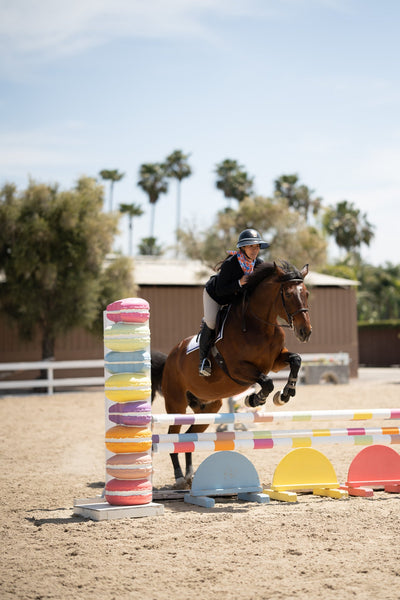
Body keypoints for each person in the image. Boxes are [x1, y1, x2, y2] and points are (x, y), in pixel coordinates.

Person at [198, 228, 270, 376]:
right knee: (211, 322)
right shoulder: (231, 263)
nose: (254, 250)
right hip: (216, 295)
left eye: (257, 247)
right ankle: (203, 361)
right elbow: (220, 290)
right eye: (251, 246)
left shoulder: (259, 264)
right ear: (242, 248)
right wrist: (239, 282)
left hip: (235, 298)